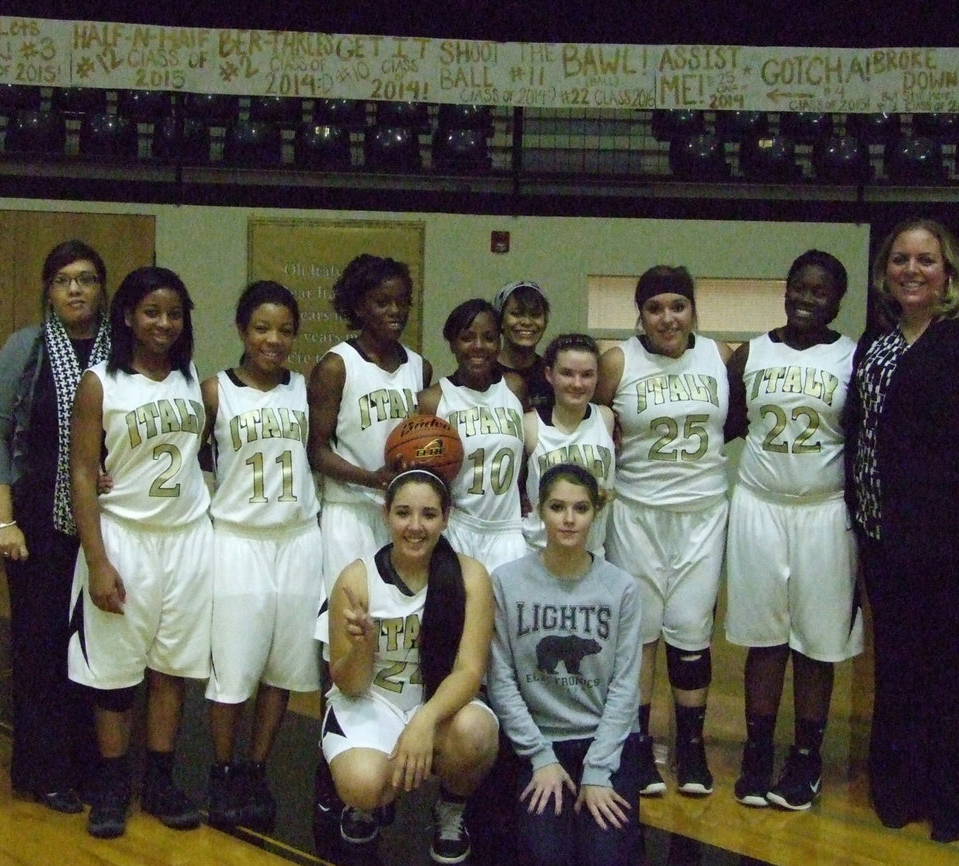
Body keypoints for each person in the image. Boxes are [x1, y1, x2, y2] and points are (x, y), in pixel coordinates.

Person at [846, 218, 959, 843]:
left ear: (949, 272)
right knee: (902, 670)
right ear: (886, 272)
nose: (912, 271)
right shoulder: (877, 342)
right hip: (887, 542)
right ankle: (901, 789)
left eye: (926, 261)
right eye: (900, 260)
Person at [67, 266, 212, 839]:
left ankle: (160, 779)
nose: (163, 323)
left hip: (187, 538)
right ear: (127, 315)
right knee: (115, 675)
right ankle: (110, 783)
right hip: (124, 537)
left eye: (174, 313)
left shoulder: (189, 376)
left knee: (171, 667)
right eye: (151, 311)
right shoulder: (101, 381)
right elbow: (81, 471)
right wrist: (98, 559)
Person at [723, 250, 862, 812]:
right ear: (785, 290)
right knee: (764, 637)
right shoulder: (750, 354)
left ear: (837, 300)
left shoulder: (854, 356)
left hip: (824, 510)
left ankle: (806, 757)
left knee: (817, 640)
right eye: (799, 287)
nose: (807, 298)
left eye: (820, 290)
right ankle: (758, 750)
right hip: (759, 504)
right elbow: (724, 426)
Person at [0, 240, 109, 814]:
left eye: (85, 278)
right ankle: (42, 769)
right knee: (40, 648)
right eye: (62, 280)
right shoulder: (26, 347)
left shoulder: (124, 350)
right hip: (37, 523)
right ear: (48, 291)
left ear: (103, 288)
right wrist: (1, 519)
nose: (74, 289)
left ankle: (90, 765)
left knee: (95, 648)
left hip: (108, 528)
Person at [595, 265, 730, 798]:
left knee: (691, 630)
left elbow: (734, 420)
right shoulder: (618, 360)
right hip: (637, 511)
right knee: (641, 633)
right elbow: (596, 423)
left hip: (702, 512)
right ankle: (637, 746)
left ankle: (690, 746)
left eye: (678, 306)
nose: (667, 318)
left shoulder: (719, 357)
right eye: (655, 308)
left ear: (693, 309)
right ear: (641, 314)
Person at [321, 469, 497, 864]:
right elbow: (348, 684)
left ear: (446, 518)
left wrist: (422, 722)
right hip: (372, 699)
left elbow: (470, 672)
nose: (415, 527)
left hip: (435, 704)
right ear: (386, 515)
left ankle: (450, 809)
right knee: (363, 784)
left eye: (429, 515)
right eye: (403, 513)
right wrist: (363, 646)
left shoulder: (471, 576)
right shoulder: (357, 578)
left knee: (476, 733)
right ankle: (364, 803)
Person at [201, 281, 321, 829]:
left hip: (298, 539)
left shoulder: (305, 388)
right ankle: (222, 770)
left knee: (282, 668)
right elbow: (179, 457)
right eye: (262, 328)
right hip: (238, 540)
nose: (274, 339)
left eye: (285, 329)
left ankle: (256, 768)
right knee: (234, 668)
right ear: (241, 331)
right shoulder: (214, 391)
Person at [489, 463, 642, 866]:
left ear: (596, 512)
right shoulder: (506, 582)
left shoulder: (621, 589)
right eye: (557, 507)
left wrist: (598, 769)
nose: (569, 519)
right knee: (544, 857)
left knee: (605, 859)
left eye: (581, 508)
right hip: (537, 743)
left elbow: (626, 688)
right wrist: (539, 757)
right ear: (540, 510)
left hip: (605, 742)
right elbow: (501, 681)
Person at [307, 253, 432, 595]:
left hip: (403, 514)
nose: (395, 311)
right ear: (359, 307)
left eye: (402, 302)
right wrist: (372, 479)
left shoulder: (419, 367)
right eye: (382, 302)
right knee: (350, 619)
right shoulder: (336, 366)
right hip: (350, 512)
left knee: (396, 623)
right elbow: (315, 451)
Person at [418, 298, 529, 572]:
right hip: (458, 527)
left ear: (499, 343)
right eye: (467, 338)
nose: (478, 346)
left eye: (489, 338)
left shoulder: (514, 387)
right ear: (453, 344)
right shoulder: (433, 400)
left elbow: (523, 454)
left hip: (508, 530)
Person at [522, 333, 616, 556]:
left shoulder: (606, 418)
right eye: (567, 373)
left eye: (586, 375)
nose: (577, 383)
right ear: (549, 374)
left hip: (592, 554)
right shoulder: (529, 425)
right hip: (540, 554)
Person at [494, 280, 553, 413]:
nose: (526, 322)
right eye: (516, 314)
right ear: (500, 320)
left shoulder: (553, 373)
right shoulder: (484, 372)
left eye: (535, 315)